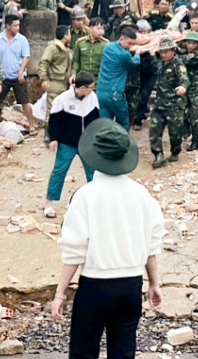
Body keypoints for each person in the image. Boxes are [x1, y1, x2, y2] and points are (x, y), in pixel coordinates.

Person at [52, 119, 165, 359]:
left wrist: (60, 292)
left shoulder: (86, 196)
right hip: (131, 285)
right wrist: (154, 283)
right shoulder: (142, 195)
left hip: (96, 286)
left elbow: (74, 249)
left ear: (94, 158)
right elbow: (152, 243)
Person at [45, 72, 100, 218]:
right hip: (67, 143)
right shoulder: (62, 99)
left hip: (87, 143)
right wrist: (53, 139)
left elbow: (96, 118)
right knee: (59, 171)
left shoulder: (92, 98)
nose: (93, 90)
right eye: (91, 87)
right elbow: (54, 121)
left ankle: (95, 203)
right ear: (82, 88)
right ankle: (49, 204)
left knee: (93, 173)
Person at [0, 14, 38, 132]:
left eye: (18, 25)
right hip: (2, 76)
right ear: (8, 26)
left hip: (18, 76)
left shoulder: (22, 39)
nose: (18, 27)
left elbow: (26, 57)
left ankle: (31, 124)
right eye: (15, 25)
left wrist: (21, 72)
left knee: (25, 101)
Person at [149, 38, 189, 168]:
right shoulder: (160, 63)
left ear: (173, 51)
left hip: (174, 105)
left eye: (166, 52)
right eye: (162, 52)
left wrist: (183, 87)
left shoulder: (178, 64)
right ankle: (158, 154)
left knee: (175, 133)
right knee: (154, 129)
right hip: (160, 104)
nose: (164, 54)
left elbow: (185, 79)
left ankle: (175, 151)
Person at [98, 26, 141, 128]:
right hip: (115, 93)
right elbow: (134, 63)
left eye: (133, 44)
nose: (130, 46)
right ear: (122, 39)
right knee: (123, 123)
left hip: (101, 91)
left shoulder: (107, 47)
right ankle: (123, 143)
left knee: (105, 123)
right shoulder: (124, 55)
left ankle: (105, 143)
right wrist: (138, 53)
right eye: (129, 43)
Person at [180, 31, 198, 152]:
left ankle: (197, 140)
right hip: (191, 87)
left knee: (195, 115)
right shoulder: (187, 52)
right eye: (188, 43)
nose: (190, 45)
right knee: (185, 112)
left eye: (193, 43)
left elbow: (183, 59)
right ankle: (185, 133)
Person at [129, 21, 159, 131]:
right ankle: (136, 115)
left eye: (145, 31)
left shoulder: (154, 41)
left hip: (150, 73)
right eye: (141, 31)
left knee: (144, 95)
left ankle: (138, 119)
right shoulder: (133, 43)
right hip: (137, 72)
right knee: (134, 95)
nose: (143, 33)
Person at [40, 25, 75, 114]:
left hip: (65, 84)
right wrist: (44, 79)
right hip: (55, 83)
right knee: (52, 111)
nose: (71, 36)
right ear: (66, 36)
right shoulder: (53, 47)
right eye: (69, 34)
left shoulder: (68, 49)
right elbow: (44, 63)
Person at [73, 18, 109, 82]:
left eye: (102, 29)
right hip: (82, 78)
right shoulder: (80, 42)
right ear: (91, 28)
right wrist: (73, 74)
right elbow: (76, 61)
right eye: (98, 28)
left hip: (98, 79)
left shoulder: (106, 44)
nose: (101, 31)